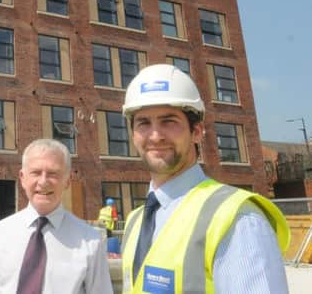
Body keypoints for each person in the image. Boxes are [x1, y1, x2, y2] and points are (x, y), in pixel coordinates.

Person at [120, 64, 290, 293]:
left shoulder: (237, 218)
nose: (156, 136)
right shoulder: (135, 221)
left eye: (169, 121)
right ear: (133, 134)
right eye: (143, 123)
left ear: (197, 132)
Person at [0, 138, 113, 293]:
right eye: (36, 173)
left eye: (53, 173)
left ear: (67, 181)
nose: (43, 182)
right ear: (23, 178)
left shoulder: (90, 241)